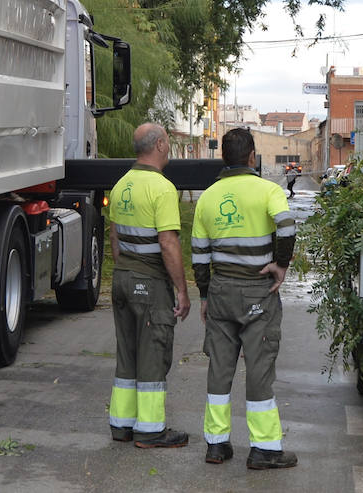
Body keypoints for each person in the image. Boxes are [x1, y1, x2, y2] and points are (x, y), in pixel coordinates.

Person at [191, 128, 298, 469]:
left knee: (220, 368)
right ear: (252, 157)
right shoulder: (268, 190)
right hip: (258, 292)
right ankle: (264, 449)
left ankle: (217, 444)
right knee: (259, 366)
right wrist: (280, 265)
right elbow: (287, 227)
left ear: (224, 157)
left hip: (221, 291)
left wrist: (205, 294)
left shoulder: (208, 197)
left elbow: (199, 254)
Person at [107, 123, 192, 447]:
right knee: (153, 352)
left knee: (127, 353)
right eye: (167, 142)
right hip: (149, 282)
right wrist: (182, 291)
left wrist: (125, 271)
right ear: (158, 145)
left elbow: (114, 237)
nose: (169, 147)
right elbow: (168, 242)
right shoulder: (161, 188)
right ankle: (151, 431)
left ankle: (122, 425)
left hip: (122, 279)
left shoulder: (121, 185)